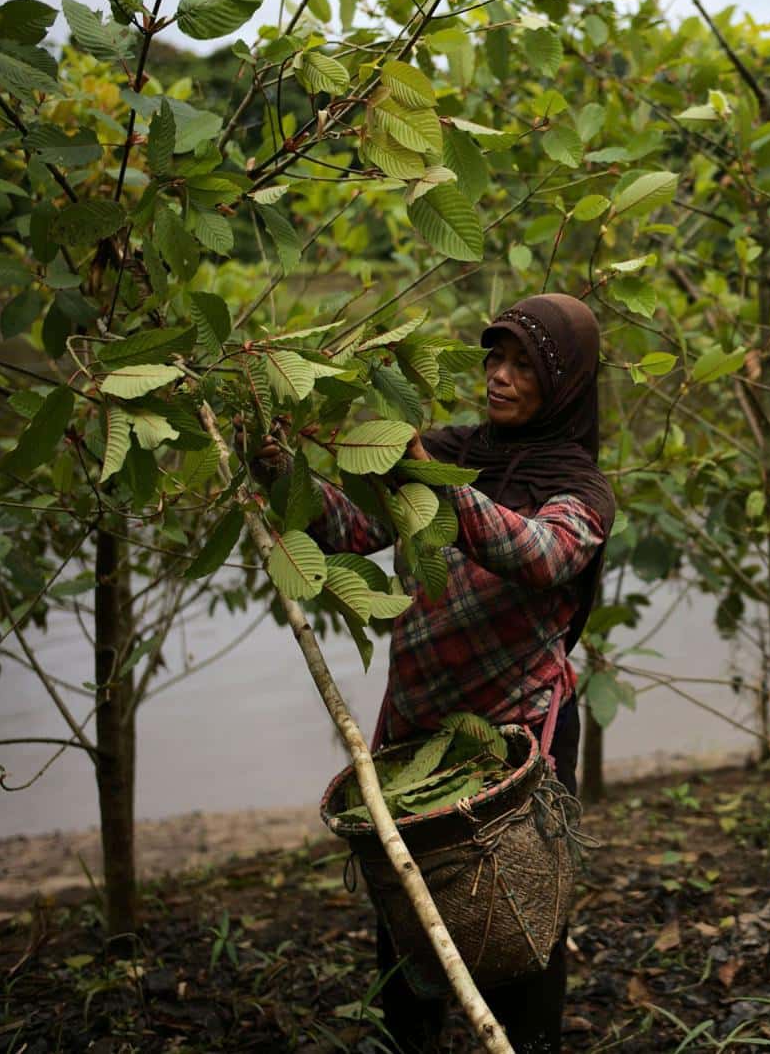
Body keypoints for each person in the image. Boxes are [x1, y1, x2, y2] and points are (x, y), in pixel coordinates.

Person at [256, 293, 614, 1053]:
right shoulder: (455, 450)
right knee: (408, 920)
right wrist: (278, 466)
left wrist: (435, 477)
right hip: (417, 732)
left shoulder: (580, 489)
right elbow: (350, 528)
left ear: (567, 386)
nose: (499, 376)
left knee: (515, 922)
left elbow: (535, 554)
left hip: (518, 741)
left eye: (524, 365)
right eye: (496, 356)